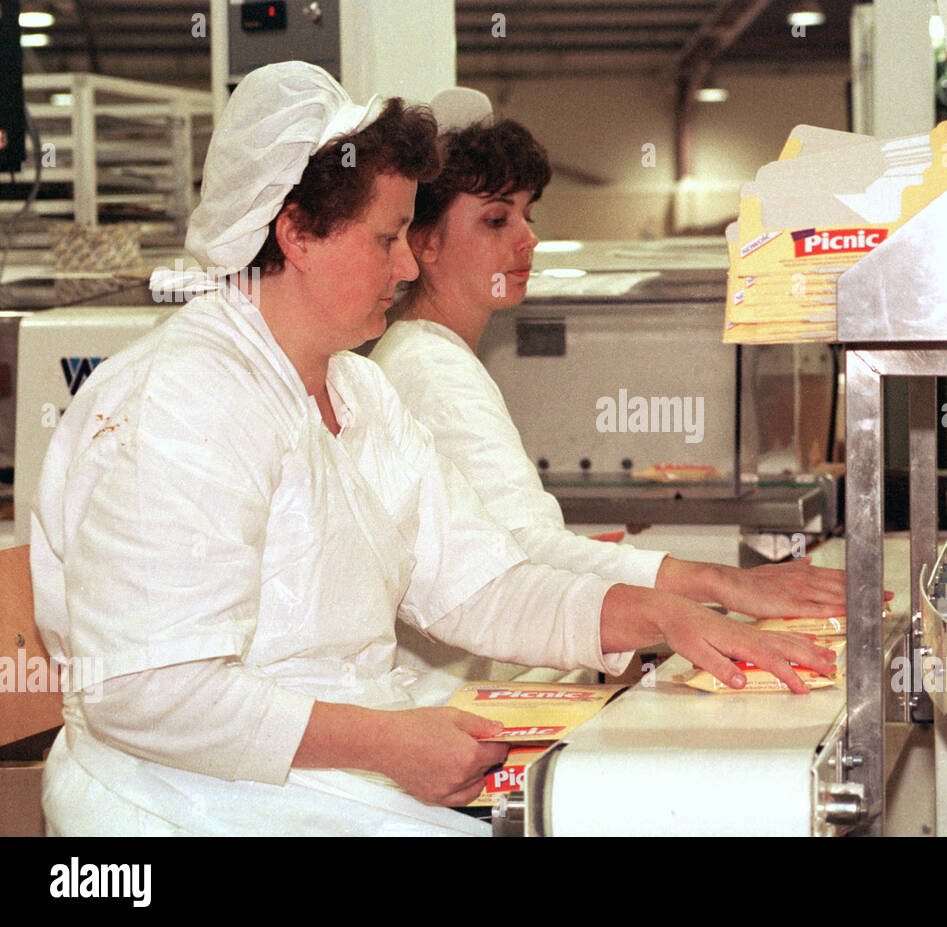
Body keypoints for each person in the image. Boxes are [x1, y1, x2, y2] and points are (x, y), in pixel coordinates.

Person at [29, 63, 835, 837]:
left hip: (328, 780)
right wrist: (386, 744)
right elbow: (148, 692)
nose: (409, 263)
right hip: (190, 802)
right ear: (298, 233)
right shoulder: (185, 400)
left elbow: (480, 583)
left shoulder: (358, 392)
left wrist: (662, 614)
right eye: (387, 240)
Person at [370, 104, 848, 687]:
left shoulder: (429, 355)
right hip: (447, 696)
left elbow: (511, 540)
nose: (528, 239)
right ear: (425, 244)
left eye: (527, 213)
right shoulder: (430, 368)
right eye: (497, 221)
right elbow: (527, 552)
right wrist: (726, 584)